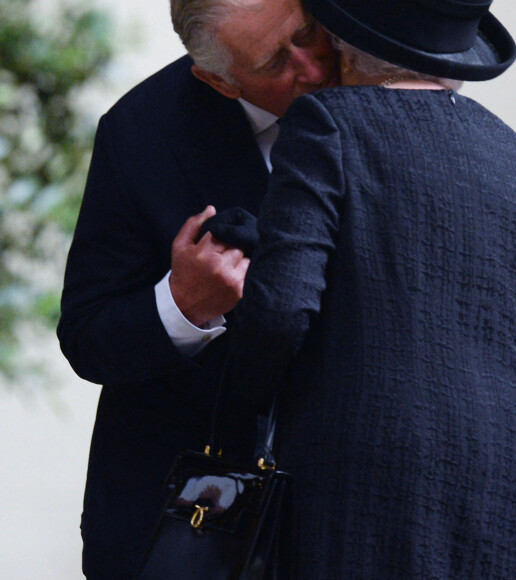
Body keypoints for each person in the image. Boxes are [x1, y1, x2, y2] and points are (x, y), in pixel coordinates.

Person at [228, 0, 516, 577]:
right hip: (495, 455)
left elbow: (281, 311)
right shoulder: (514, 155)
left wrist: (231, 402)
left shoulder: (329, 121)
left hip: (364, 454)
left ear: (344, 42)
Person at [56, 0, 338, 577]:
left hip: (344, 499)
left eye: (308, 34)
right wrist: (182, 307)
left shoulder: (371, 68)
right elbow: (88, 336)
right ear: (218, 80)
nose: (311, 67)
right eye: (274, 63)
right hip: (192, 517)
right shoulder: (140, 133)